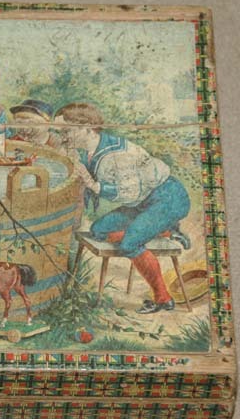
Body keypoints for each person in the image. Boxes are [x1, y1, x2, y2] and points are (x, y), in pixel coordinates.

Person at [55, 102, 191, 314]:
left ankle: (163, 298)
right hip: (142, 202)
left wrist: (94, 186)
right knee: (98, 230)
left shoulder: (116, 155)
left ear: (87, 127)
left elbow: (130, 193)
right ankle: (165, 230)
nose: (63, 137)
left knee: (129, 244)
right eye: (60, 132)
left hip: (167, 199)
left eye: (66, 131)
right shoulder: (89, 150)